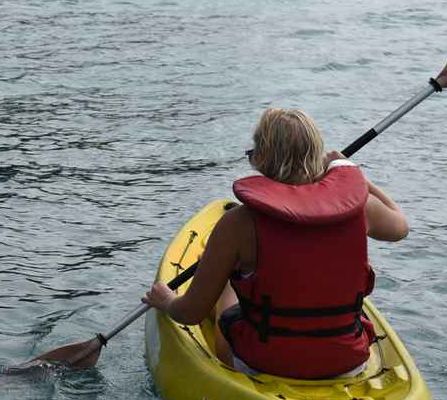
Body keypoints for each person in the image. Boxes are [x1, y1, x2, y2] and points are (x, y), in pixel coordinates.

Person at [142, 107, 409, 379]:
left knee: (226, 283)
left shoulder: (238, 223)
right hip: (348, 364)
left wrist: (166, 301)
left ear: (260, 159)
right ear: (318, 157)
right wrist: (352, 176)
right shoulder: (361, 210)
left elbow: (190, 313)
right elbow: (401, 226)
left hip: (264, 363)